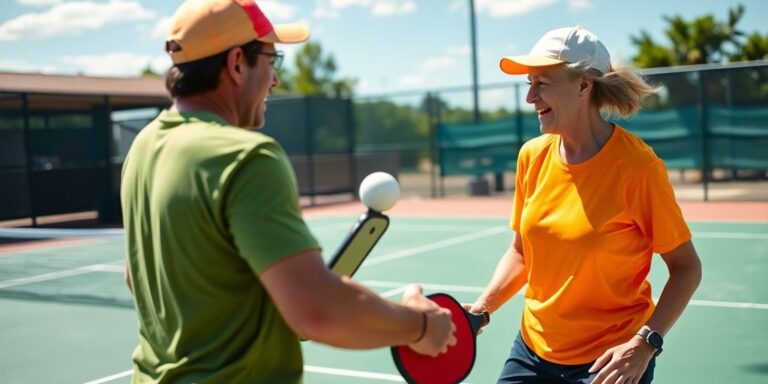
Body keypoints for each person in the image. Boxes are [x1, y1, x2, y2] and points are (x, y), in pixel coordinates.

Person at [120, 1, 455, 382]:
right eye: (271, 59)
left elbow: (137, 277)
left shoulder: (143, 147)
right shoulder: (245, 156)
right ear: (235, 64)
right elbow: (318, 310)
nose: (275, 79)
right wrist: (421, 326)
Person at [465, 26, 703, 384]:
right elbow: (521, 253)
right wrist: (481, 310)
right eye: (529, 83)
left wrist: (645, 343)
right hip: (531, 351)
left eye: (541, 83)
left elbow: (687, 268)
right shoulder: (532, 156)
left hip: (609, 362)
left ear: (583, 85)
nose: (530, 97)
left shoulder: (638, 168)